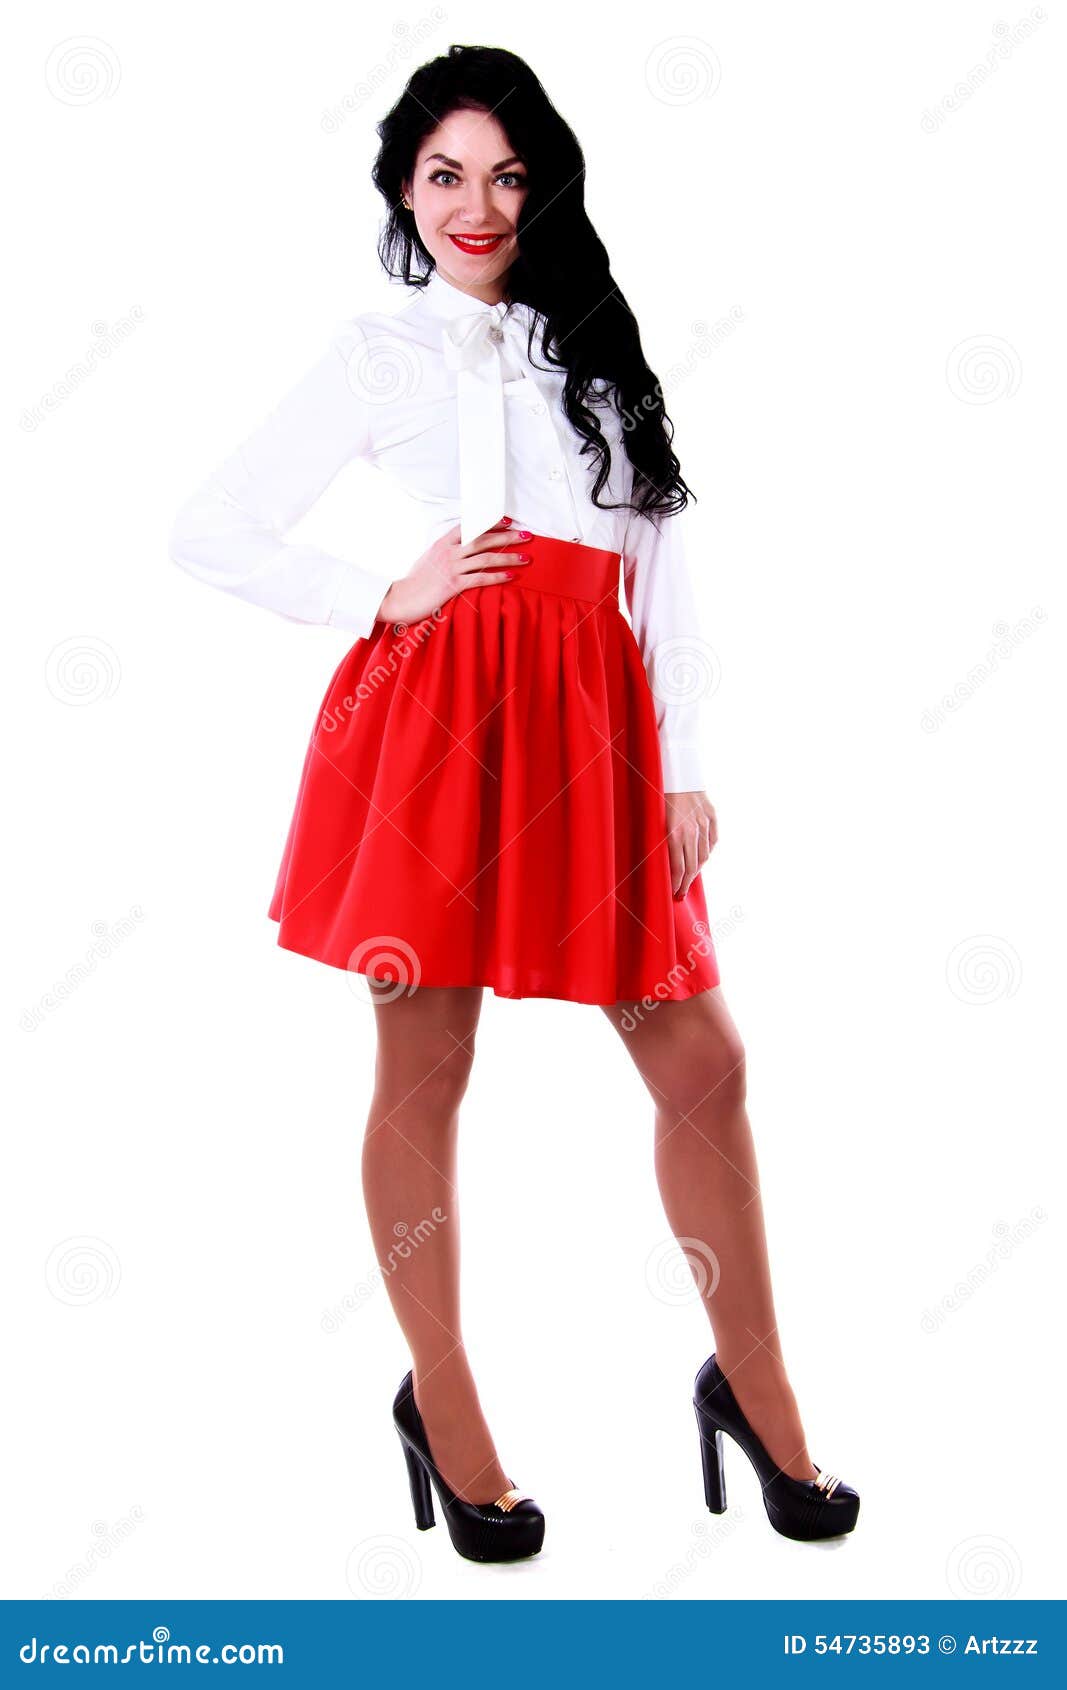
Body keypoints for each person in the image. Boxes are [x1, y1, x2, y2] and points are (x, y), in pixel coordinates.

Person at [169, 44, 859, 1562]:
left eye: (505, 175)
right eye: (444, 176)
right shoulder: (378, 350)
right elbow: (209, 527)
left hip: (595, 727)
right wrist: (379, 590)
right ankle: (449, 1399)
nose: (476, 205)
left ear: (542, 189)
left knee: (704, 1061)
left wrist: (683, 758)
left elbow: (663, 559)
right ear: (405, 193)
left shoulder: (596, 350)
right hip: (433, 728)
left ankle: (758, 1388)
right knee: (427, 1066)